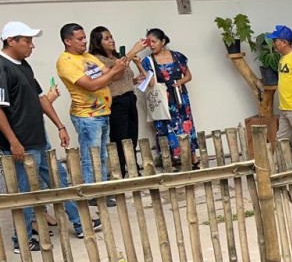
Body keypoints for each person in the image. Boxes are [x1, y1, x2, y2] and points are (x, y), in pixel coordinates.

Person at [0, 21, 96, 252]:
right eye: (27, 41)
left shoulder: (24, 65)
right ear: (11, 41)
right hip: (21, 144)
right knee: (25, 191)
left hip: (38, 140)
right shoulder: (2, 68)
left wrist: (60, 126)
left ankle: (80, 223)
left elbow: (41, 97)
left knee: (59, 180)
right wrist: (13, 142)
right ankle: (21, 240)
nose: (32, 46)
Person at [57, 22, 129, 185]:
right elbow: (91, 85)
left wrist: (119, 67)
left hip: (103, 113)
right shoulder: (66, 61)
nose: (84, 42)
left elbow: (113, 77)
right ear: (68, 41)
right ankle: (94, 195)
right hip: (87, 117)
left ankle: (101, 190)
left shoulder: (88, 57)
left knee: (101, 156)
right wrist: (113, 71)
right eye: (80, 39)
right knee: (91, 157)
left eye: (84, 38)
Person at [140, 28, 200, 167]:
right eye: (149, 42)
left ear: (163, 41)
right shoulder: (147, 61)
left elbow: (188, 76)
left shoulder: (178, 57)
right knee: (165, 128)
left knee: (185, 125)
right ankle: (171, 160)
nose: (152, 45)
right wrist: (138, 64)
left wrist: (180, 82)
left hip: (179, 97)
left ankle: (193, 157)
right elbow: (150, 82)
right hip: (162, 99)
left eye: (154, 41)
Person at [89, 26, 143, 176]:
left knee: (132, 136)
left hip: (130, 97)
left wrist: (133, 80)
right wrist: (133, 51)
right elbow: (115, 75)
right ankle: (120, 170)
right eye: (106, 38)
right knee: (120, 137)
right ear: (98, 42)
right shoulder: (97, 59)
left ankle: (133, 168)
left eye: (111, 37)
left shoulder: (117, 57)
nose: (111, 40)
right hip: (116, 101)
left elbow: (121, 77)